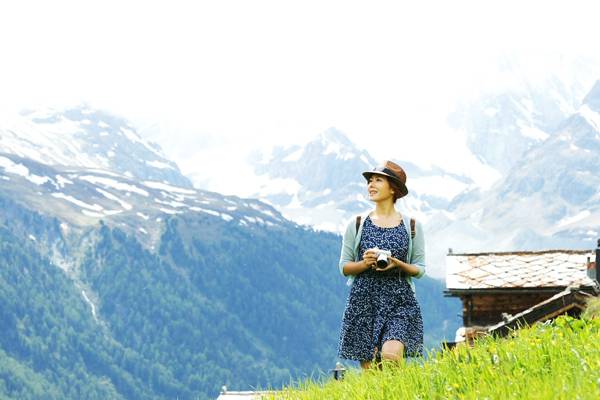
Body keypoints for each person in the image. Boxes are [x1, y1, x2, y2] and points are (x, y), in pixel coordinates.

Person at [337, 160, 425, 369]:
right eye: (370, 181)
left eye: (378, 180)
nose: (371, 185)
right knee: (372, 374)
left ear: (393, 188)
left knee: (392, 356)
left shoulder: (412, 226)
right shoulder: (357, 223)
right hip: (364, 300)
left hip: (399, 300)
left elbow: (420, 269)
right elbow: (344, 267)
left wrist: (397, 264)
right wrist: (365, 264)